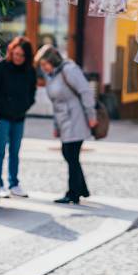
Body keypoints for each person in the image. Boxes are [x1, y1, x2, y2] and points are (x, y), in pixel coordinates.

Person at [37, 46, 97, 205]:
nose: (43, 68)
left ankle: (73, 194)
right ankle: (82, 189)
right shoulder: (51, 76)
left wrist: (91, 115)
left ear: (53, 60)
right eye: (41, 66)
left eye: (45, 64)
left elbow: (86, 91)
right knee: (70, 155)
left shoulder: (70, 70)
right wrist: (56, 127)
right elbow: (56, 104)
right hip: (64, 121)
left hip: (76, 118)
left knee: (71, 155)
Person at [0, 36, 37, 198]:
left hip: (19, 117)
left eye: (22, 55)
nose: (18, 58)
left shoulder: (30, 70)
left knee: (15, 151)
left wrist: (26, 105)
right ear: (11, 52)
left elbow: (32, 92)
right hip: (2, 116)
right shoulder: (1, 67)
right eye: (16, 54)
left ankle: (14, 183)